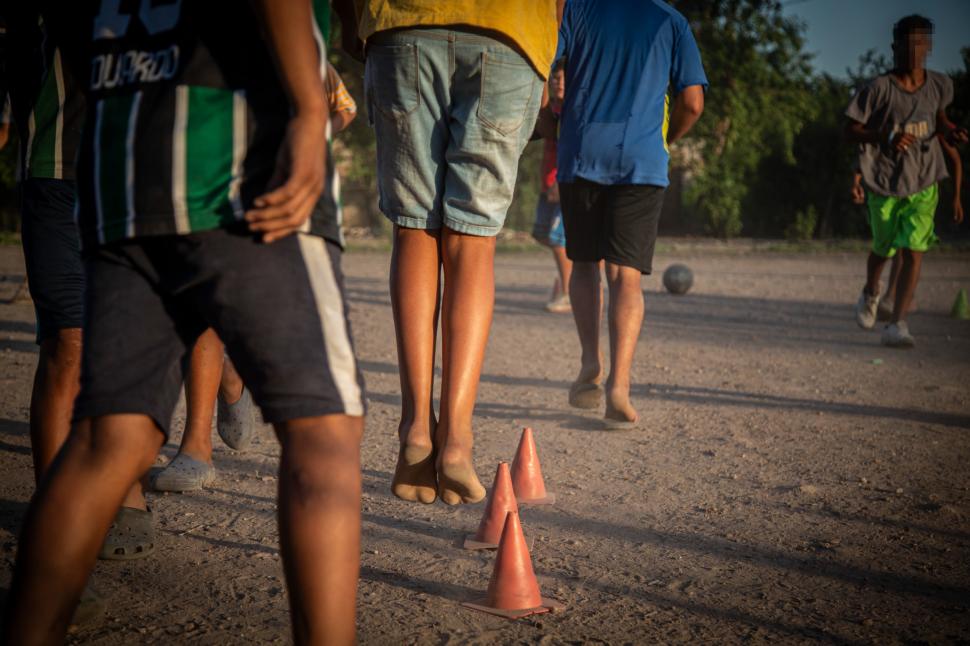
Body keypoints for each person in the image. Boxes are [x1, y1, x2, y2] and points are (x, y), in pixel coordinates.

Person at [1, 3, 365, 645]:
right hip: (235, 162)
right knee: (323, 437)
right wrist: (310, 111)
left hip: (119, 170)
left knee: (106, 440)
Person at [345, 0, 557, 504]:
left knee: (414, 228)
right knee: (473, 240)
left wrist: (360, 34)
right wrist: (548, 53)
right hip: (511, 32)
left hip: (404, 24)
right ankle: (457, 439)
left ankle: (417, 428)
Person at [153, 59, 357, 493]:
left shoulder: (300, 44)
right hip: (208, 188)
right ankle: (195, 447)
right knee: (201, 307)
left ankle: (232, 376)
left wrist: (305, 139)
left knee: (265, 319)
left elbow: (344, 108)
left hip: (278, 199)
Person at [553, 0, 706, 430]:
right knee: (625, 276)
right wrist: (664, 142)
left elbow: (543, 67)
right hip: (641, 159)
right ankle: (619, 387)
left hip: (581, 151)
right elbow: (692, 102)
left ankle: (589, 366)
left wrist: (549, 123)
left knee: (583, 263)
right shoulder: (671, 20)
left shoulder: (577, 10)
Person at [846, 14, 968, 347]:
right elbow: (850, 130)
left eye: (920, 43)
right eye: (907, 44)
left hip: (924, 179)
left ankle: (898, 322)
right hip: (885, 180)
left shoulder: (940, 86)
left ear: (928, 46)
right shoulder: (878, 89)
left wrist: (950, 130)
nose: (914, 51)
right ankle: (872, 290)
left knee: (914, 251)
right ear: (895, 47)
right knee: (883, 248)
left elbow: (939, 120)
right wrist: (883, 136)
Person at [532, 59, 573, 313]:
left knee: (557, 239)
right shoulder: (551, 111)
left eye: (563, 78)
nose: (558, 81)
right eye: (555, 77)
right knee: (541, 233)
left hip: (564, 183)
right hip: (548, 184)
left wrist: (560, 181)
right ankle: (567, 274)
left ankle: (569, 292)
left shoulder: (572, 111)